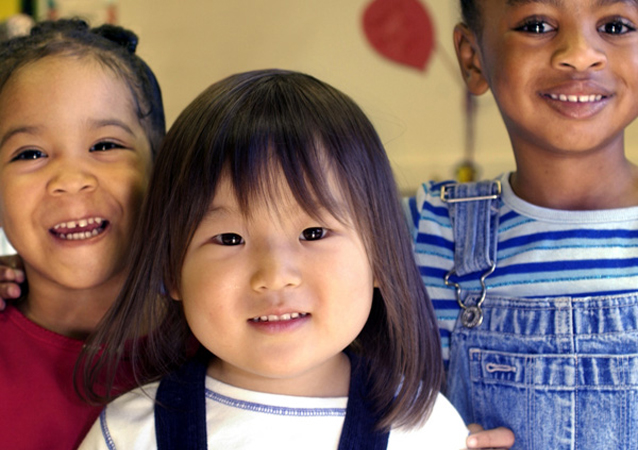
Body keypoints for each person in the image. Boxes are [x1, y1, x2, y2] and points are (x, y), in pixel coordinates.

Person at [76, 69, 470, 449]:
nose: (275, 276)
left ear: (381, 255)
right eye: (230, 238)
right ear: (172, 270)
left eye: (313, 233)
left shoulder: (426, 430)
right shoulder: (131, 434)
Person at [404, 0, 638, 448]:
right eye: (536, 25)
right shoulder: (430, 234)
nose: (580, 53)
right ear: (473, 59)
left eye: (614, 24)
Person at [0, 18, 165, 449]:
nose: (71, 180)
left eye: (105, 145)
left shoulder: (228, 339)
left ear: (161, 165)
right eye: (30, 153)